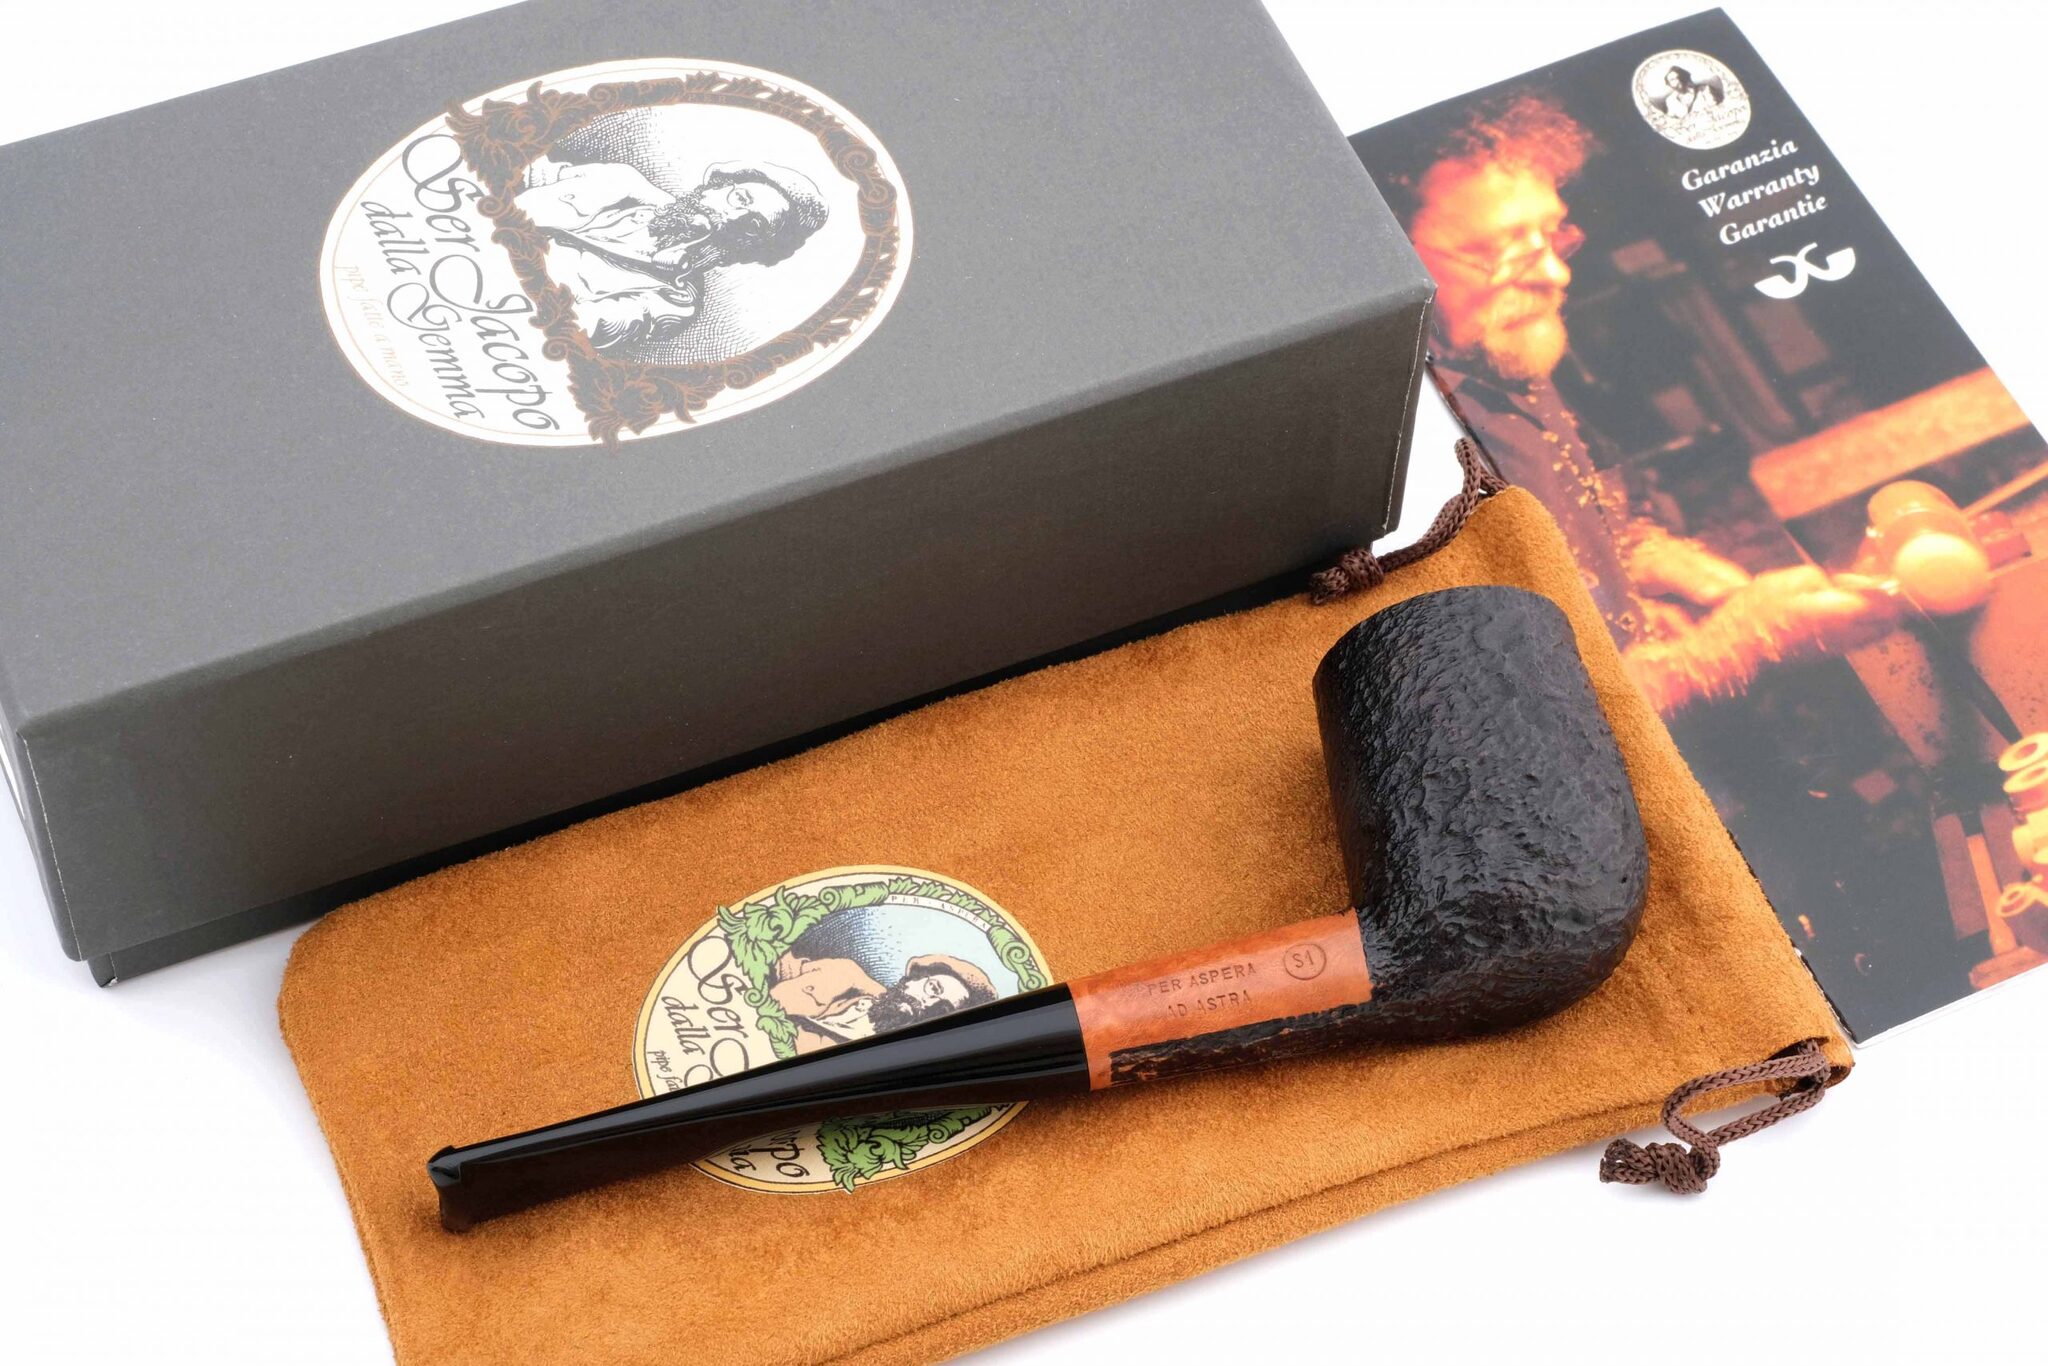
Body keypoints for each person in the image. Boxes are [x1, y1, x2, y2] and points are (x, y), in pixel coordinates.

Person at [1395, 94, 1893, 713]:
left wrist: (1651, 563)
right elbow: (1521, 716)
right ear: (1392, 261)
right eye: (1496, 250)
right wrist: (1728, 647)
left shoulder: (1497, 355)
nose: (1554, 274)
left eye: (1550, 235)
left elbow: (1579, 520)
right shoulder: (1406, 455)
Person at [514, 156, 829, 353]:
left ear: (749, 250)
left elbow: (567, 328)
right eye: (739, 199)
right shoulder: (622, 180)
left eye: (753, 226)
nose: (732, 218)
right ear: (716, 186)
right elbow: (516, 169)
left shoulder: (674, 299)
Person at [771, 951, 998, 1053]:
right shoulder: (846, 977)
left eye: (943, 1009)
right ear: (913, 979)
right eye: (933, 988)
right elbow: (774, 1001)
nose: (928, 1003)